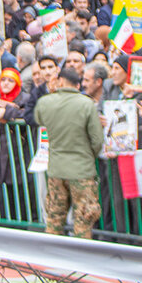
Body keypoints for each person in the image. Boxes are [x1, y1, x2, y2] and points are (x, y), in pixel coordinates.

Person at [34, 67, 104, 238]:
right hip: (82, 170)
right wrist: (88, 156)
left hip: (56, 169)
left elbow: (38, 119)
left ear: (61, 81)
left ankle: (53, 258)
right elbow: (97, 140)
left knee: (54, 219)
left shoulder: (45, 102)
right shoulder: (86, 104)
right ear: (77, 83)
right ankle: (80, 259)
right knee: (83, 220)